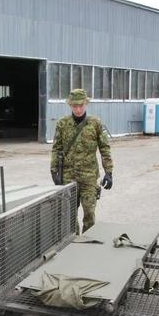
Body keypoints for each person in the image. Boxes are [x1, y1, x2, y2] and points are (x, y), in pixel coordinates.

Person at [50, 89, 113, 233]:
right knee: (69, 215)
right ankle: (73, 243)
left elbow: (105, 148)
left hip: (89, 177)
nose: (78, 109)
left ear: (86, 104)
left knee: (89, 214)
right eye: (74, 106)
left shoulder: (95, 123)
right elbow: (56, 148)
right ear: (70, 106)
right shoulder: (62, 124)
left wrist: (109, 172)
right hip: (68, 177)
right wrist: (54, 171)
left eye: (81, 105)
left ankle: (87, 243)